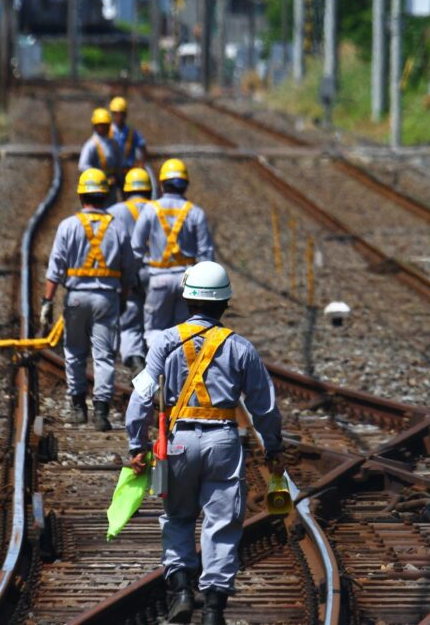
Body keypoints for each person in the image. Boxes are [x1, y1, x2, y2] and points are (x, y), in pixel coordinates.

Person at [125, 261, 283, 625]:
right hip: (224, 443)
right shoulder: (241, 347)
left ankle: (181, 590)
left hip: (177, 443)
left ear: (186, 299)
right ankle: (213, 609)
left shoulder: (165, 340)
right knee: (222, 523)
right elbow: (265, 406)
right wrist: (272, 445)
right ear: (225, 302)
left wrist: (136, 444)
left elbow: (141, 398)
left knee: (177, 517)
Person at [40, 169, 137, 431]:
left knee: (74, 354)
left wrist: (47, 302)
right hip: (107, 298)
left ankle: (78, 408)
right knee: (104, 356)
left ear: (81, 195)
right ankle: (102, 413)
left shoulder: (68, 226)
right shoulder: (118, 226)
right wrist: (124, 300)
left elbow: (55, 268)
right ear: (105, 195)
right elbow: (129, 272)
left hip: (76, 299)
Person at [131, 158, 215, 348]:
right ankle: (179, 374)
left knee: (154, 332)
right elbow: (205, 253)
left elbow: (136, 248)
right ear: (185, 185)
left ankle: (157, 371)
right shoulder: (195, 212)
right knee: (184, 332)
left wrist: (134, 277)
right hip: (187, 281)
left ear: (161, 184)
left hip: (158, 279)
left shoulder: (149, 210)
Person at [107, 168, 153, 373]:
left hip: (130, 274)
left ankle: (135, 359)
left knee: (130, 320)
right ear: (149, 190)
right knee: (157, 321)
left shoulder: (115, 212)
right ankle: (157, 357)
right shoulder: (160, 209)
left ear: (125, 191)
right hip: (158, 273)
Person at [78, 107, 123, 197]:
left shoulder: (113, 143)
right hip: (96, 187)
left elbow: (119, 162)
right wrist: (99, 176)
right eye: (101, 125)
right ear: (95, 126)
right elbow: (82, 165)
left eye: (106, 125)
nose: (104, 128)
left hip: (111, 187)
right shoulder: (91, 145)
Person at [107, 97, 148, 172]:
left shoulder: (132, 132)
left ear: (125, 115)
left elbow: (143, 148)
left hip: (128, 170)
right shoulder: (107, 132)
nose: (119, 117)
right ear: (112, 114)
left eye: (121, 114)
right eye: (116, 114)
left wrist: (141, 164)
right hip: (112, 172)